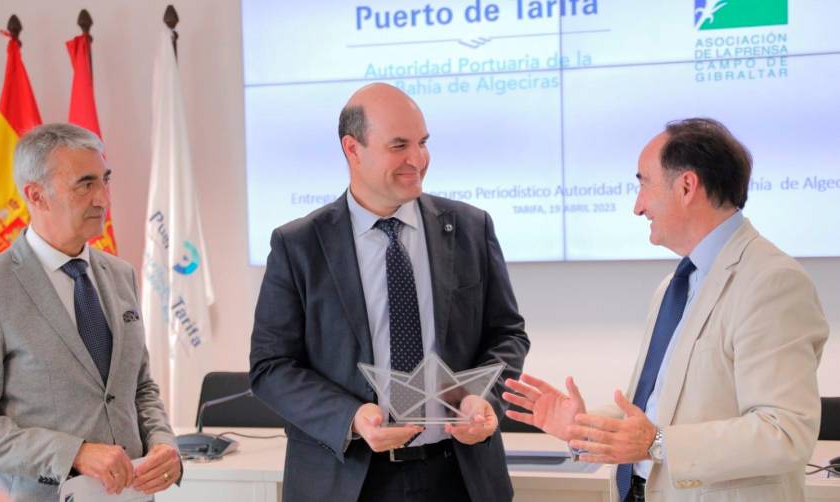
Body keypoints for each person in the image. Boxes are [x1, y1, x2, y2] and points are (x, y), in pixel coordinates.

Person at [503, 118, 829, 502]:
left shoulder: (772, 281)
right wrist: (584, 426)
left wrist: (658, 443)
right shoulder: (674, 286)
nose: (637, 207)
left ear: (687, 186)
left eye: (643, 183)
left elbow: (785, 433)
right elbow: (656, 410)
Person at [250, 83, 530, 502]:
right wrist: (352, 417)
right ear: (353, 148)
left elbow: (508, 334)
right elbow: (271, 367)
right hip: (345, 479)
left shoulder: (471, 228)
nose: (417, 160)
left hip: (460, 477)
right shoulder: (299, 245)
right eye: (399, 145)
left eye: (422, 143)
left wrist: (482, 400)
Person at [0, 123, 181, 502]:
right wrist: (74, 453)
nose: (103, 198)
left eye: (105, 180)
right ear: (36, 195)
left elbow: (139, 388)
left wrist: (164, 444)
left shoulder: (120, 275)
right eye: (85, 184)